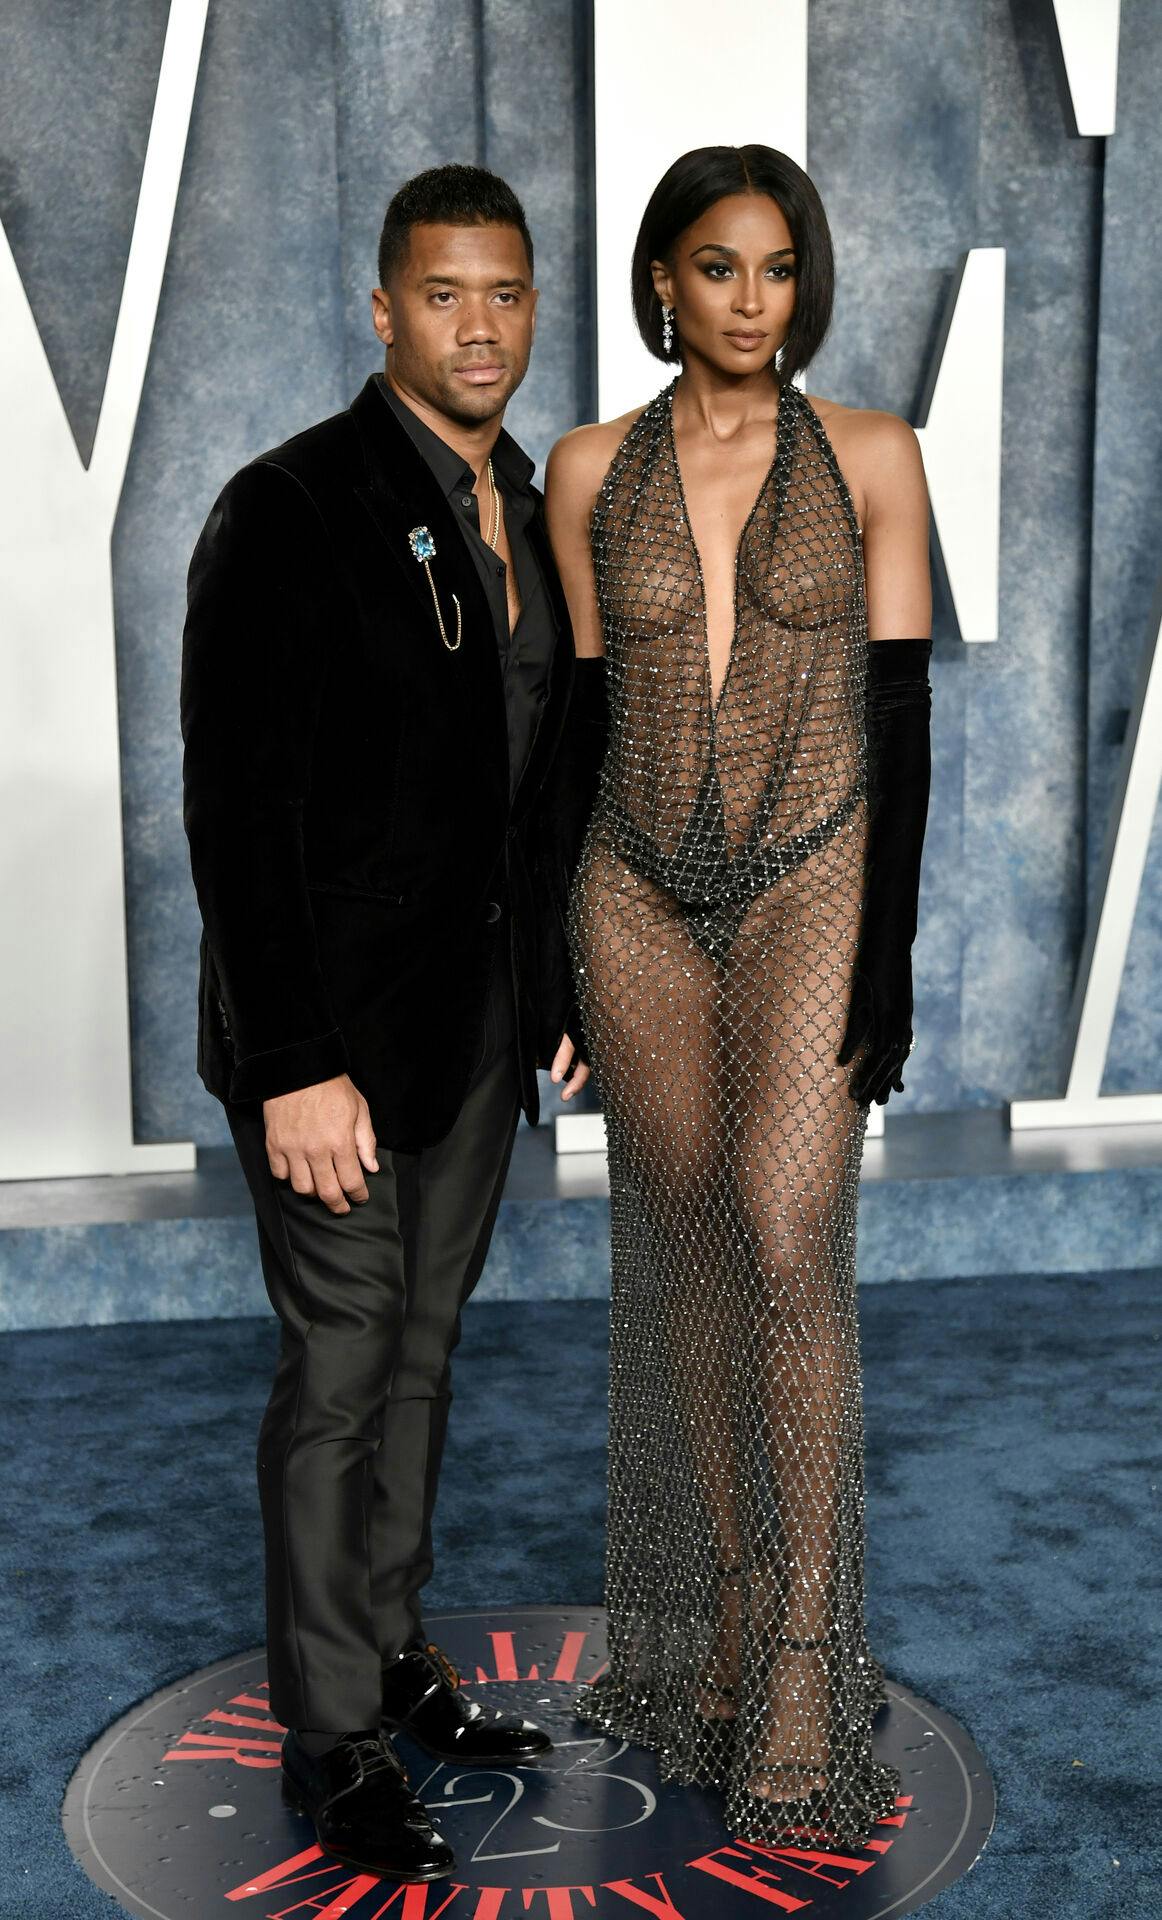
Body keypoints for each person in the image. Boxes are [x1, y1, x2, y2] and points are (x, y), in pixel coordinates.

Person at [181, 163, 590, 1886]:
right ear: (380, 308)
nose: (478, 326)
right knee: (340, 1374)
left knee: (423, 1358)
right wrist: (289, 1062)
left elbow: (531, 789)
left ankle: (391, 1650)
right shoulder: (287, 508)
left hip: (475, 1029)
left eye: (503, 294)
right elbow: (233, 809)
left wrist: (554, 992)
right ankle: (334, 1734)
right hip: (332, 1049)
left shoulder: (524, 510)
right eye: (443, 295)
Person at [545, 144, 932, 1847]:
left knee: (788, 1238)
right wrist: (527, 957)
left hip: (811, 876)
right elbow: (565, 734)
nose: (749, 301)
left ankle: (794, 1653)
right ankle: (705, 1626)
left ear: (805, 285)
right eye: (716, 268)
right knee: (688, 1239)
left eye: (775, 270)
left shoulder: (871, 456)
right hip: (626, 888)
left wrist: (890, 953)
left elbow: (905, 725)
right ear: (661, 285)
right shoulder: (578, 471)